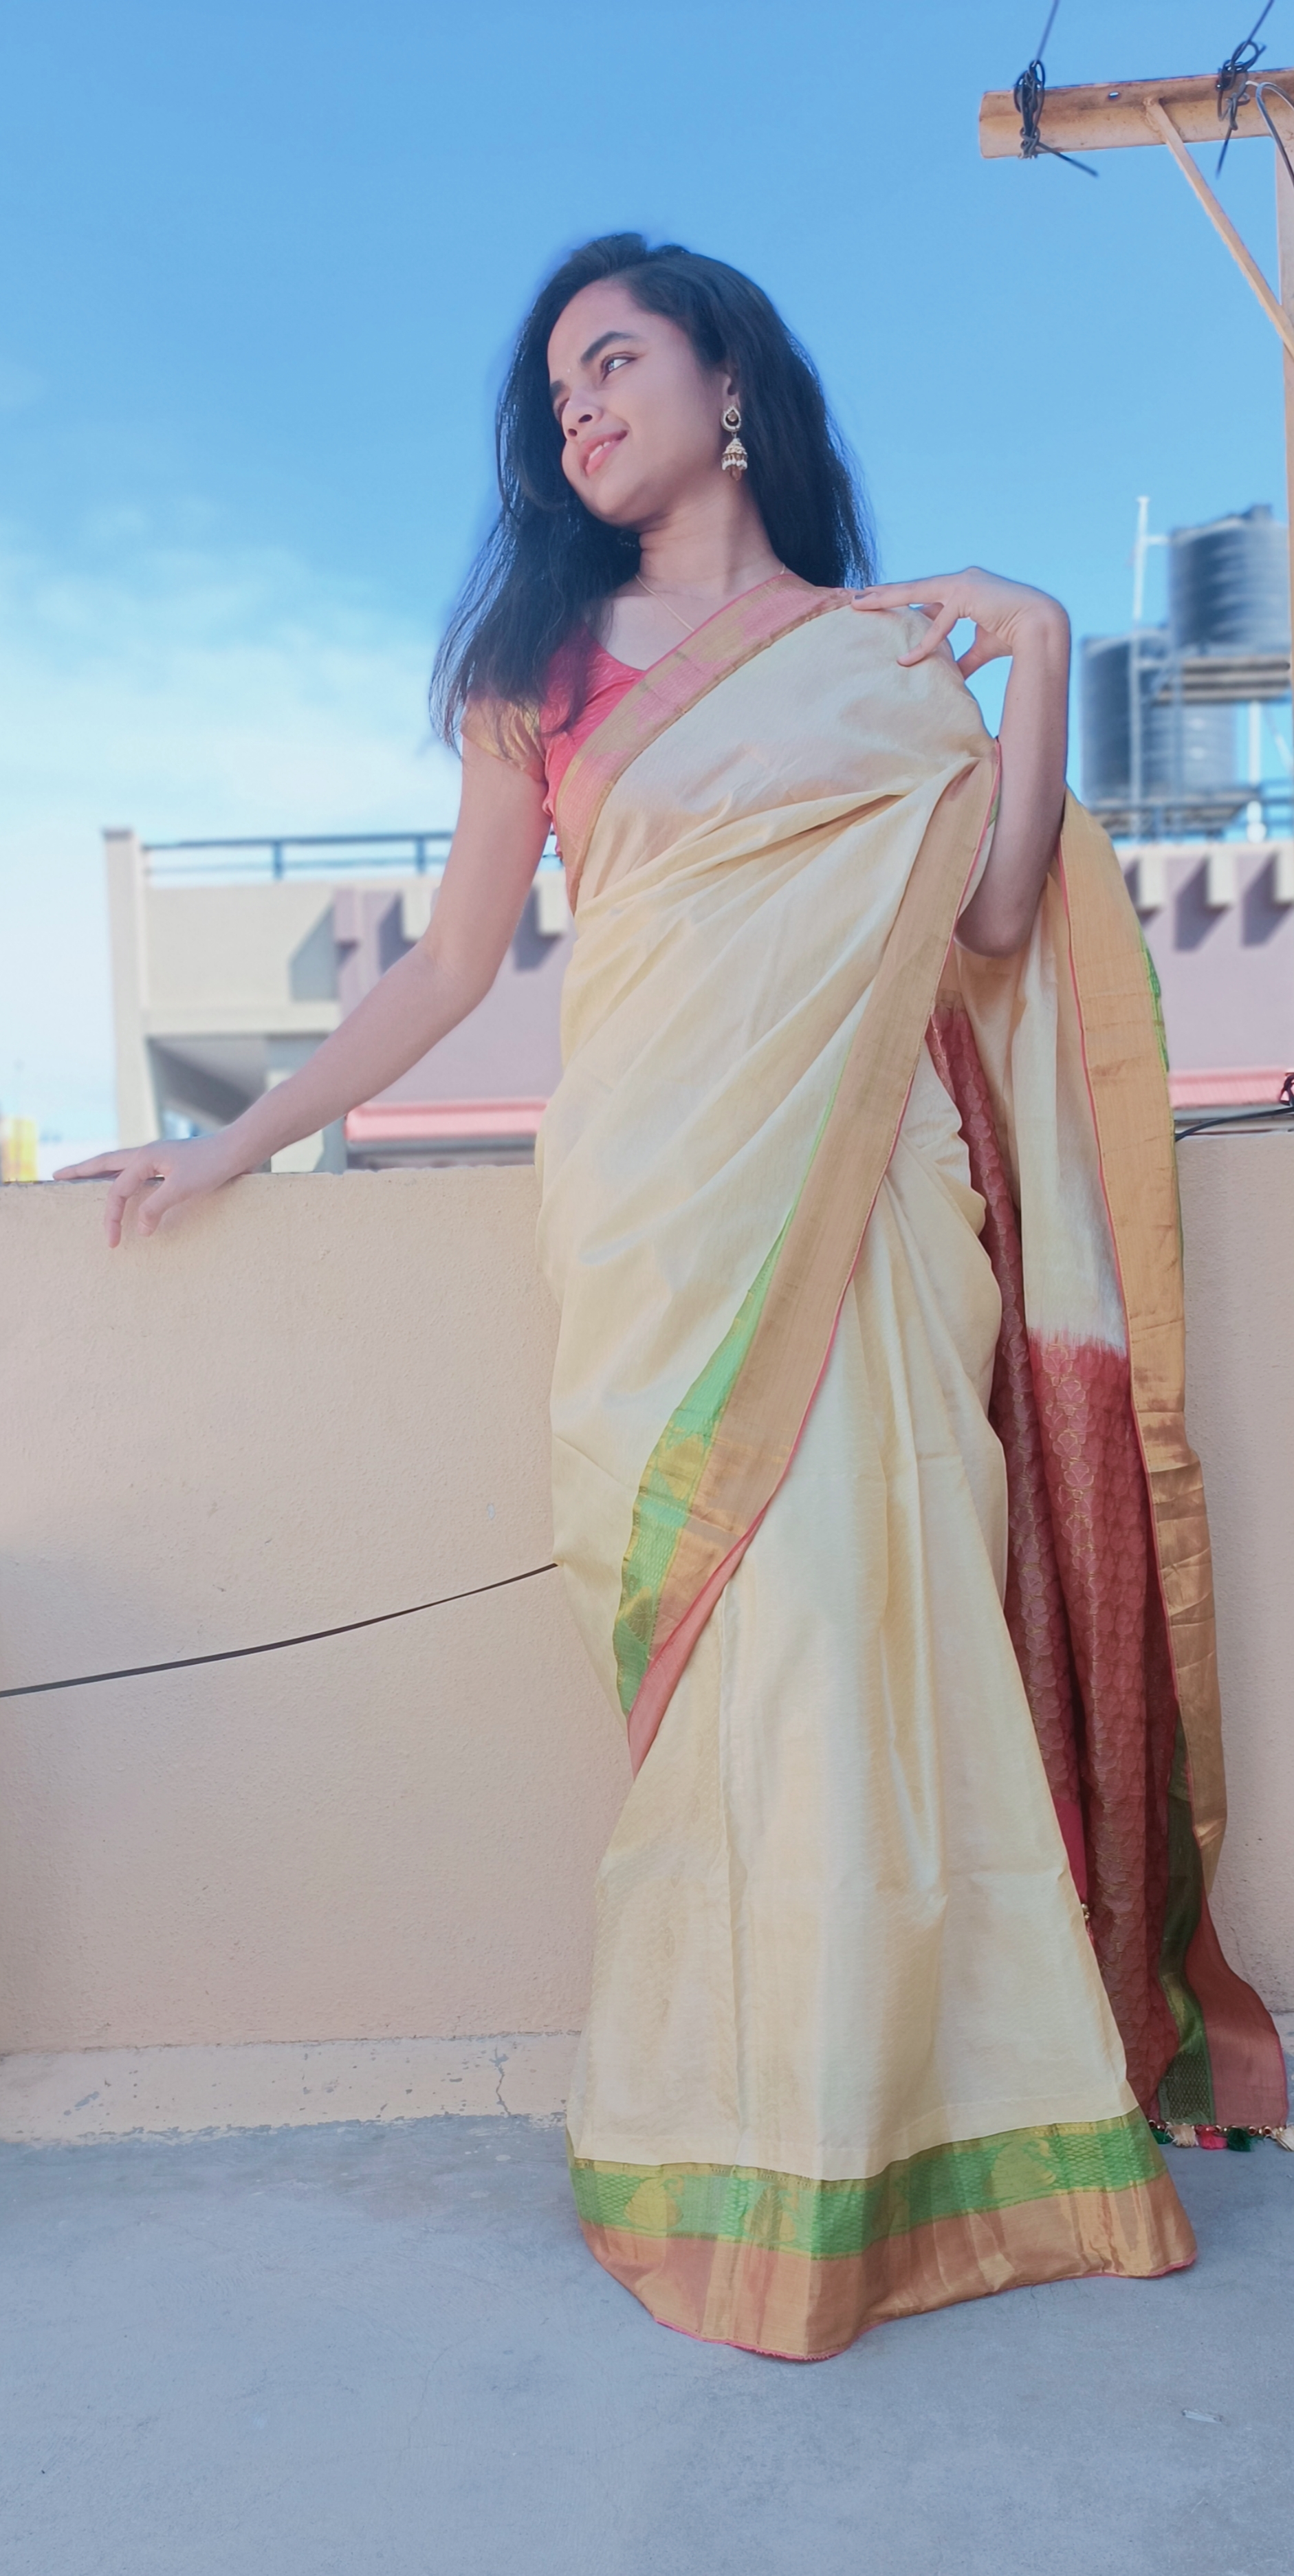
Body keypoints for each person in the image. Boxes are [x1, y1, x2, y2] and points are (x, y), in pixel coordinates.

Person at [62, 232, 1286, 2359]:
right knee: (753, 1670)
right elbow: (452, 969)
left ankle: (936, 2137)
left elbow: (997, 921)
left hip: (873, 1211)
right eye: (558, 391)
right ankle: (742, 2137)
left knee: (886, 1641)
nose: (579, 408)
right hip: (663, 1219)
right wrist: (229, 1139)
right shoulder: (536, 667)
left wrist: (1032, 639)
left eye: (614, 360)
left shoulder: (881, 658)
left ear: (730, 389)